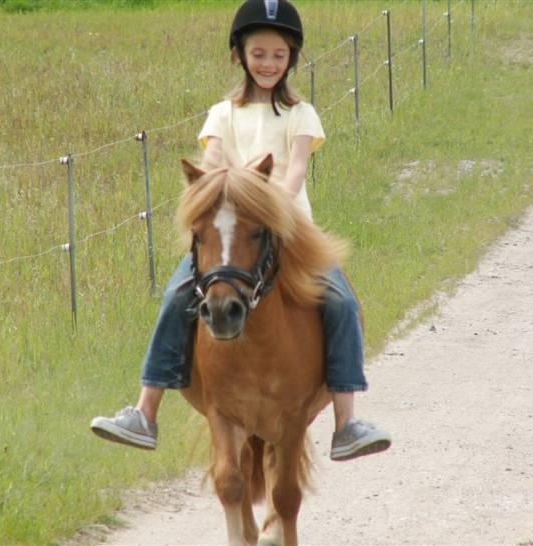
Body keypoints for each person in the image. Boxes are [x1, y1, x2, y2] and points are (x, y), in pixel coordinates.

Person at [91, 0, 391, 462]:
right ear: (239, 55)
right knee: (176, 296)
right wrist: (213, 190)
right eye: (258, 53)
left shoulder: (301, 114)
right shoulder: (222, 115)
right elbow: (211, 167)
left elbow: (292, 174)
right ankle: (145, 412)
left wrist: (270, 207)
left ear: (292, 58)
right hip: (229, 235)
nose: (268, 63)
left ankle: (347, 420)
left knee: (341, 300)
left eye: (278, 54)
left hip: (289, 229)